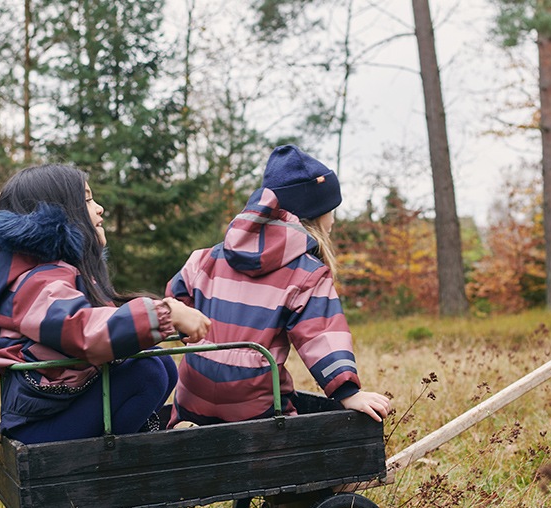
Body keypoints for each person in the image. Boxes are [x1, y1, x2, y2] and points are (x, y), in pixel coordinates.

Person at [0, 164, 210, 444]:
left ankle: (141, 436)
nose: (100, 208)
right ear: (60, 213)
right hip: (38, 428)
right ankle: (118, 462)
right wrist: (165, 314)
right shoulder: (35, 281)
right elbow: (80, 329)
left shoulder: (55, 271)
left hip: (59, 410)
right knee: (148, 371)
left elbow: (105, 321)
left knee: (154, 359)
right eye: (87, 200)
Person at [166, 144, 390, 426]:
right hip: (254, 406)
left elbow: (176, 301)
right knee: (284, 410)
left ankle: (187, 426)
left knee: (196, 398)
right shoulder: (306, 273)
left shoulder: (207, 258)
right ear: (315, 214)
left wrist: (198, 340)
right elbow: (320, 333)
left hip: (192, 395)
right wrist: (348, 391)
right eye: (331, 209)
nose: (333, 218)